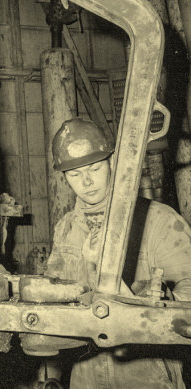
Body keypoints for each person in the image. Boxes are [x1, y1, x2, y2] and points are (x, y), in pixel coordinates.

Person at [45, 117, 191, 388]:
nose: (87, 181)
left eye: (95, 168)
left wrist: (158, 298)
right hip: (84, 372)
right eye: (75, 174)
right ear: (64, 177)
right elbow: (55, 301)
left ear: (112, 162)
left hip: (145, 372)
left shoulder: (159, 220)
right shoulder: (65, 229)